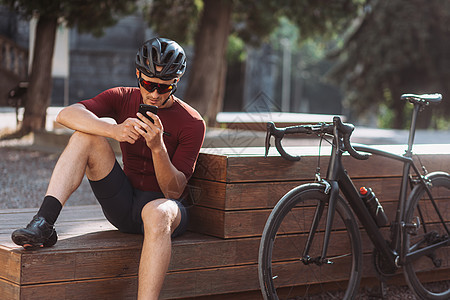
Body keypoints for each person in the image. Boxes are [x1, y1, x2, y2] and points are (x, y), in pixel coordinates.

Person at [11, 37, 205, 299]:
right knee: (85, 136)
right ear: (138, 74)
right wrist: (113, 130)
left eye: (164, 87)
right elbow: (65, 114)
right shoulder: (122, 97)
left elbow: (174, 191)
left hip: (164, 212)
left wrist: (158, 148)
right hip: (123, 204)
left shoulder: (192, 122)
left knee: (157, 212)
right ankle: (44, 223)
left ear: (176, 83)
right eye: (148, 84)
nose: (155, 94)